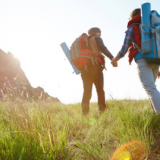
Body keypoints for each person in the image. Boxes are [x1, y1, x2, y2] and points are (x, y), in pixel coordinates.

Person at [111, 8, 160, 114]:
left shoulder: (132, 27)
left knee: (150, 89)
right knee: (151, 89)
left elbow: (124, 48)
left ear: (132, 17)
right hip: (156, 60)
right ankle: (155, 115)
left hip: (142, 59)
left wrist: (115, 59)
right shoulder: (153, 26)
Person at [81, 27, 115, 115]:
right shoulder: (96, 38)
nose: (100, 34)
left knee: (87, 90)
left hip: (84, 69)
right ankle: (102, 110)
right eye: (100, 33)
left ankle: (85, 112)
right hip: (95, 67)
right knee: (100, 89)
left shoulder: (85, 41)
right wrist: (112, 58)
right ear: (97, 32)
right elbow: (103, 48)